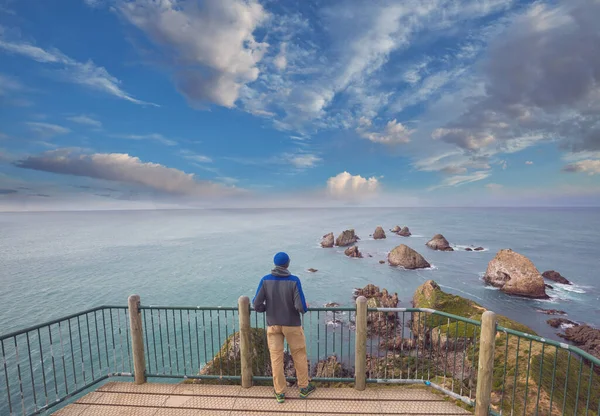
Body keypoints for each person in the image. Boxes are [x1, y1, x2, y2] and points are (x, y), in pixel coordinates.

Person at [252, 252, 316, 403]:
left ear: (275, 264)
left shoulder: (265, 280)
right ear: (287, 264)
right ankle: (303, 388)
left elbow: (256, 304)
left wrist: (265, 309)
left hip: (273, 325)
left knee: (276, 358)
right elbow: (300, 306)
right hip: (292, 324)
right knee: (299, 355)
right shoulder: (294, 281)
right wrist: (305, 308)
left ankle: (280, 392)